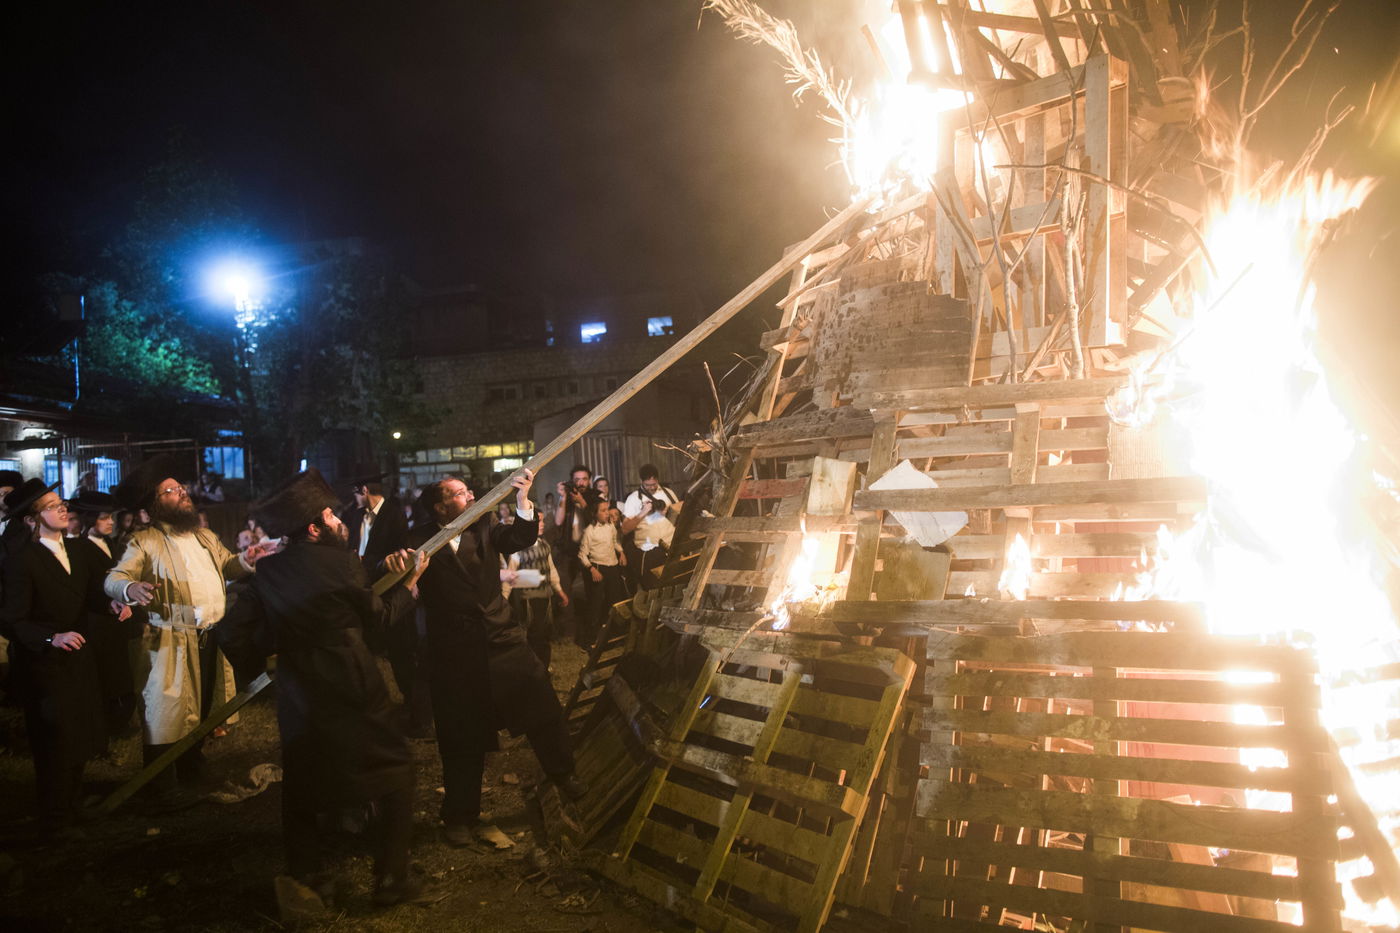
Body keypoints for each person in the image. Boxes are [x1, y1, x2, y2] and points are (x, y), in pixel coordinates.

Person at [219, 468, 433, 907]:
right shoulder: (342, 562)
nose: (342, 521)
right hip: (353, 685)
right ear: (314, 528)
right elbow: (378, 618)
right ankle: (392, 878)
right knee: (394, 771)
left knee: (302, 784)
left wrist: (270, 652)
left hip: (299, 693)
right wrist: (410, 586)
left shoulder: (267, 572)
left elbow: (233, 636)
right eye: (333, 517)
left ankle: (306, 877)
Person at [408, 471, 583, 850]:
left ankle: (564, 773)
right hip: (454, 652)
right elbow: (392, 577)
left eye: (469, 490)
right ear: (441, 506)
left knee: (541, 706)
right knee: (461, 736)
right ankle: (459, 814)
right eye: (459, 493)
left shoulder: (484, 525)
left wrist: (523, 502)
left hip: (501, 637)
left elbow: (520, 537)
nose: (470, 495)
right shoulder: (418, 539)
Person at [104, 454, 276, 809]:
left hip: (208, 636)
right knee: (166, 714)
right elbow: (115, 577)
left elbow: (228, 565)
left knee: (200, 708)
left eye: (181, 488)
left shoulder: (204, 536)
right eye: (171, 491)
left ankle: (192, 768)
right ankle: (161, 784)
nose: (182, 493)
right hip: (169, 642)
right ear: (154, 505)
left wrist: (247, 559)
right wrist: (129, 589)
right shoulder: (144, 541)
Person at [1, 479, 130, 837]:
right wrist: (49, 637)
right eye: (51, 505)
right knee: (55, 741)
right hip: (45, 664)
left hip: (79, 656)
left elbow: (88, 594)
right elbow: (11, 619)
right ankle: (53, 819)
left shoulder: (76, 549)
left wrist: (110, 604)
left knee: (81, 734)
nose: (62, 508)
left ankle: (72, 807)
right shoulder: (22, 560)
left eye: (61, 503)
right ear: (31, 520)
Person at [67, 490, 143, 739]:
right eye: (104, 518)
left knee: (121, 672)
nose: (110, 522)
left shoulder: (109, 543)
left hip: (115, 619)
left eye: (111, 517)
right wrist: (108, 603)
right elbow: (85, 587)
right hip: (97, 622)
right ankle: (105, 727)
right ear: (90, 520)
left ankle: (118, 722)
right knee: (106, 676)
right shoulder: (79, 547)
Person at [501, 512, 568, 670]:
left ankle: (544, 666)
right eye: (538, 521)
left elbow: (550, 569)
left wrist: (559, 591)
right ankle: (535, 668)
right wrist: (504, 598)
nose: (542, 524)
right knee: (534, 635)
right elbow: (511, 576)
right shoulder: (519, 549)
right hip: (530, 600)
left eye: (543, 520)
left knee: (544, 634)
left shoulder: (544, 545)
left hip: (546, 598)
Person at [620, 463, 682, 590]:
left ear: (657, 479)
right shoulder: (633, 499)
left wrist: (668, 512)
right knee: (653, 588)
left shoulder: (668, 492)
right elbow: (625, 529)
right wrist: (643, 512)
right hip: (650, 553)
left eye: (654, 484)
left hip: (671, 549)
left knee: (674, 586)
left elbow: (679, 513)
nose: (652, 488)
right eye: (648, 485)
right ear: (641, 481)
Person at [551, 465, 595, 637]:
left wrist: (582, 502)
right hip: (568, 551)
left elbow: (594, 518)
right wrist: (562, 497)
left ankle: (591, 628)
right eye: (577, 479)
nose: (581, 483)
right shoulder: (567, 499)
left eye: (584, 479)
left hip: (588, 551)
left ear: (589, 480)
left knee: (591, 589)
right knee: (565, 588)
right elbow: (558, 521)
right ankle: (568, 631)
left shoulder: (594, 497)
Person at [577, 499, 626, 649]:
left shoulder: (611, 527)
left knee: (616, 602)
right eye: (603, 511)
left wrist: (621, 552)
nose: (607, 513)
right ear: (595, 514)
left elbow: (615, 542)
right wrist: (592, 569)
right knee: (596, 606)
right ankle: (590, 641)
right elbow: (582, 555)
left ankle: (616, 637)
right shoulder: (590, 531)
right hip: (598, 569)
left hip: (612, 568)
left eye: (607, 509)